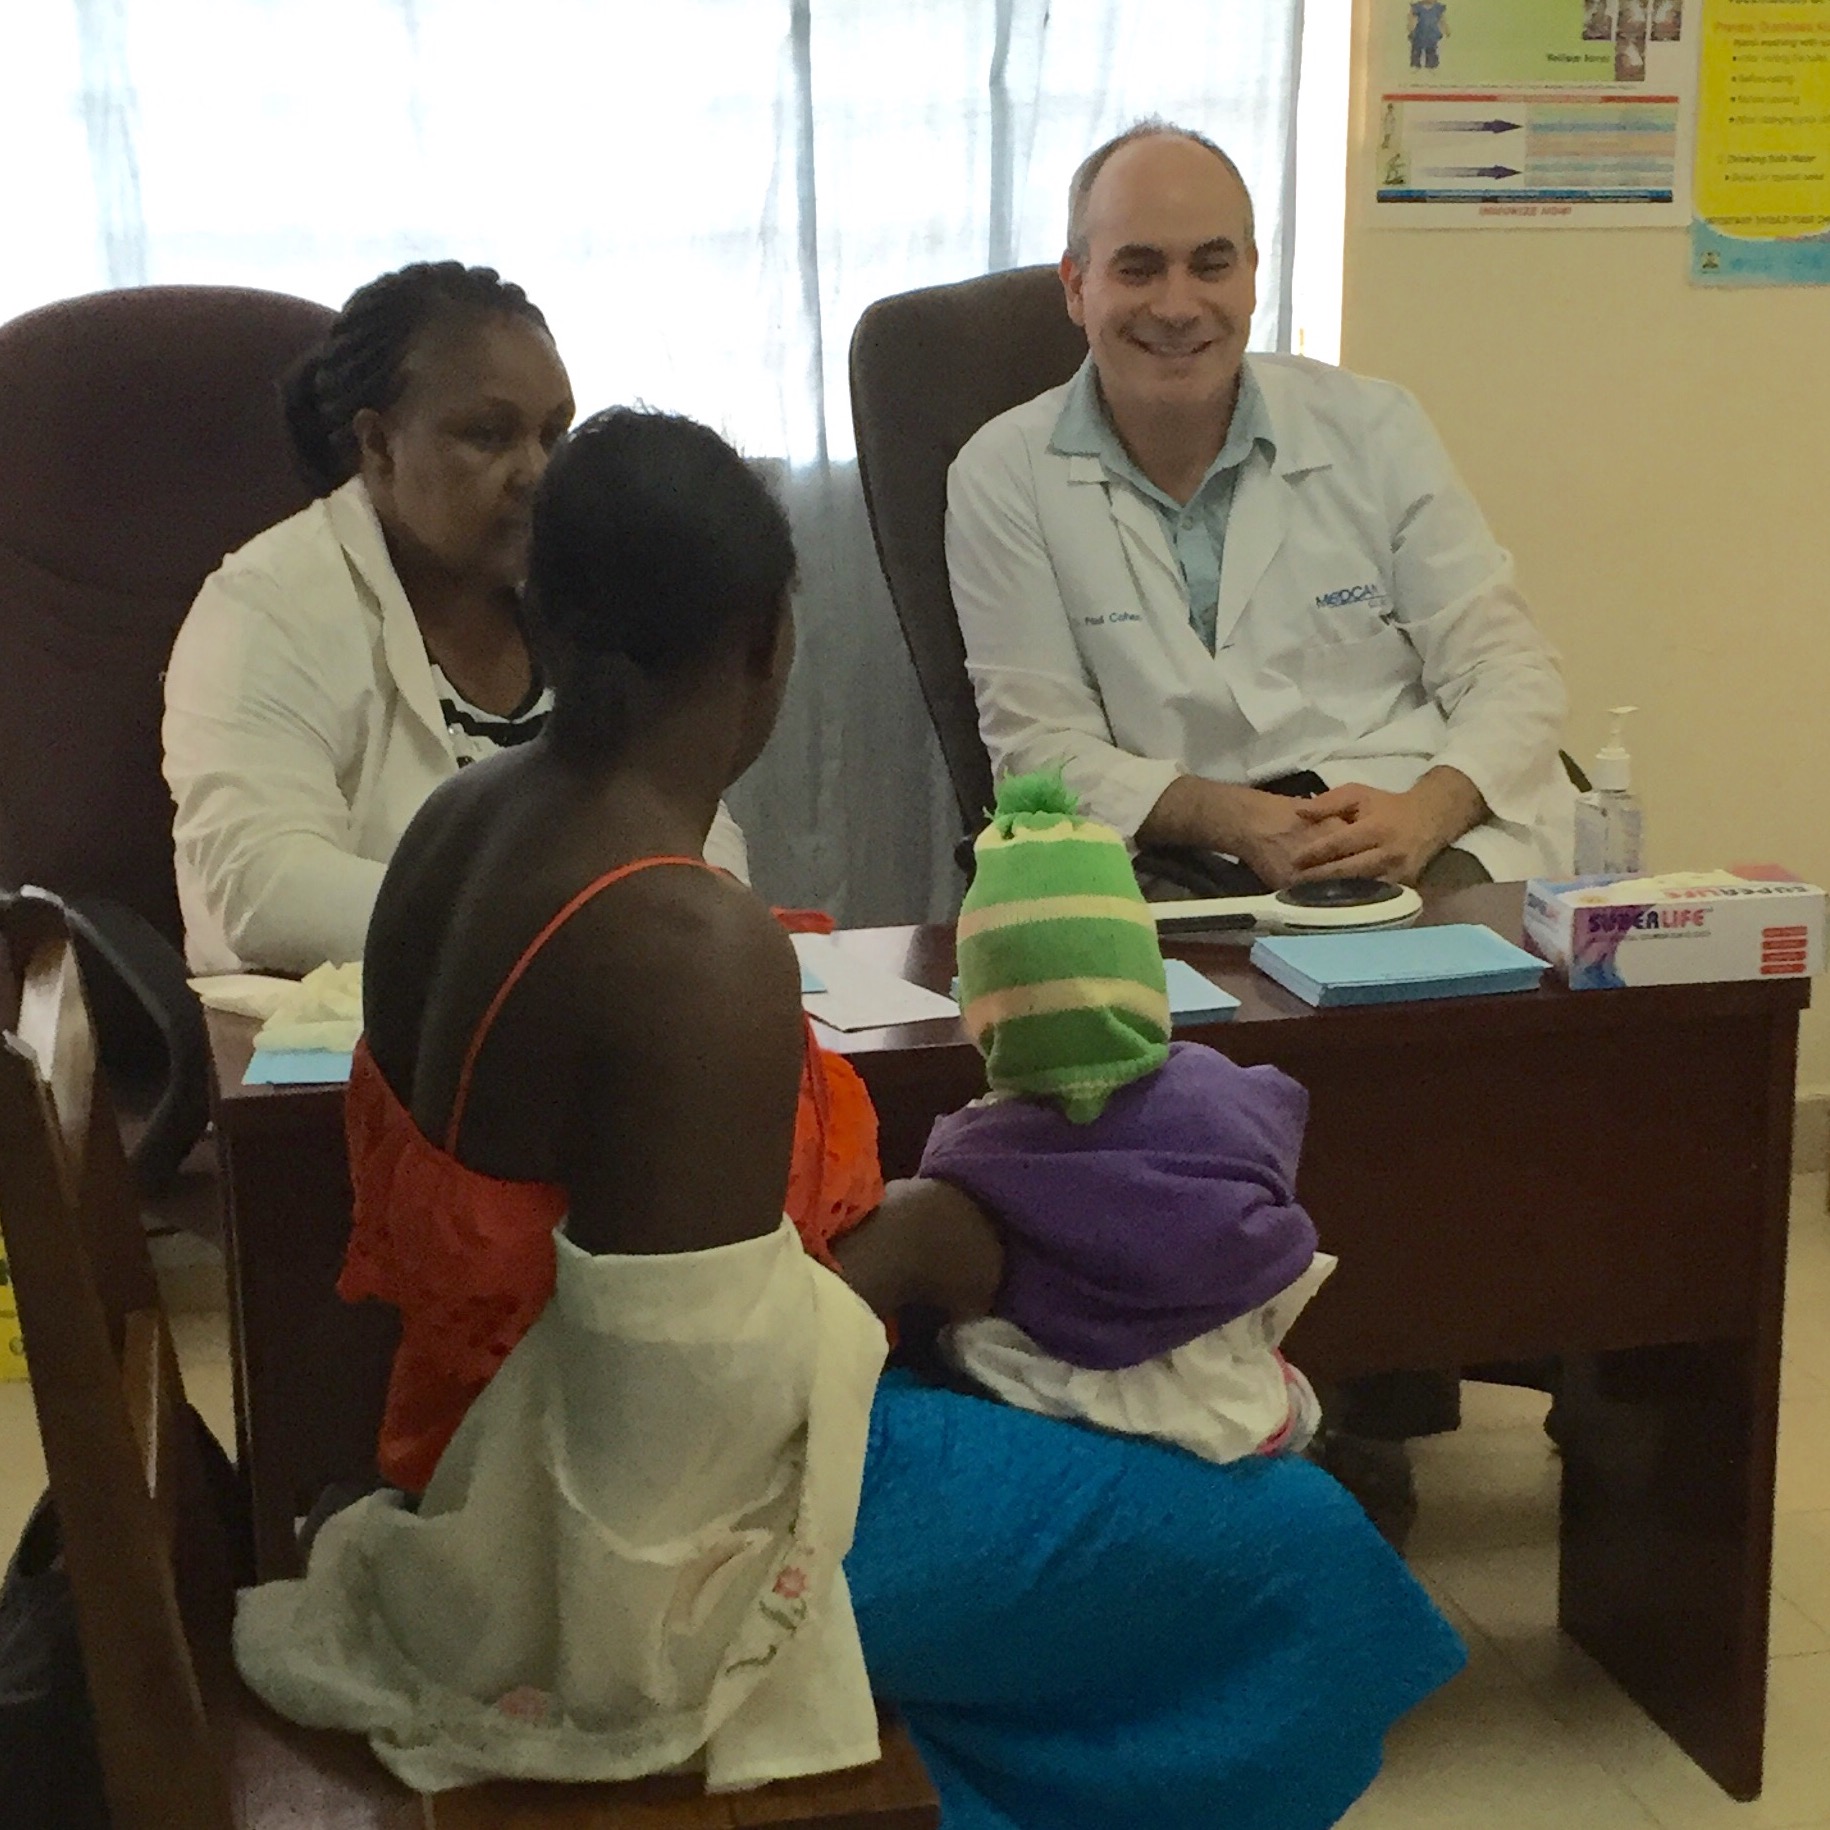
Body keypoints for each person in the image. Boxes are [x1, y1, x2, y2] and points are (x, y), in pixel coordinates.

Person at [234, 407, 1463, 1824]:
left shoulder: (464, 823)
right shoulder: (682, 943)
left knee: (1073, 1449)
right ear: (768, 644)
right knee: (1296, 1542)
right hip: (618, 1565)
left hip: (469, 1434)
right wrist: (919, 1251)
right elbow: (691, 1440)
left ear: (542, 612)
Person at [945, 121, 1574, 902]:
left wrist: (1426, 811)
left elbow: (1509, 671)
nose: (1178, 306)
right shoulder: (1003, 473)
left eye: (1211, 265)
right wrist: (1241, 822)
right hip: (1179, 858)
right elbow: (1041, 749)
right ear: (1076, 285)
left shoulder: (1374, 427)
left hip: (1413, 829)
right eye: (1138, 269)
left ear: (1250, 274)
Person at [162, 260, 749, 975]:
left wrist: (667, 925)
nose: (536, 471)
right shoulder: (266, 605)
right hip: (328, 1055)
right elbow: (267, 894)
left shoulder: (583, 589)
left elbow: (694, 827)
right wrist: (569, 930)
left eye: (553, 434)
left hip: (579, 1029)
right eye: (489, 435)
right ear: (378, 446)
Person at [924, 769, 1332, 1467]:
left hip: (1071, 1389)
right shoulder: (1224, 1090)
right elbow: (1282, 1108)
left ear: (983, 1019)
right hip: (1227, 1384)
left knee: (958, 1346)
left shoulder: (973, 1147)